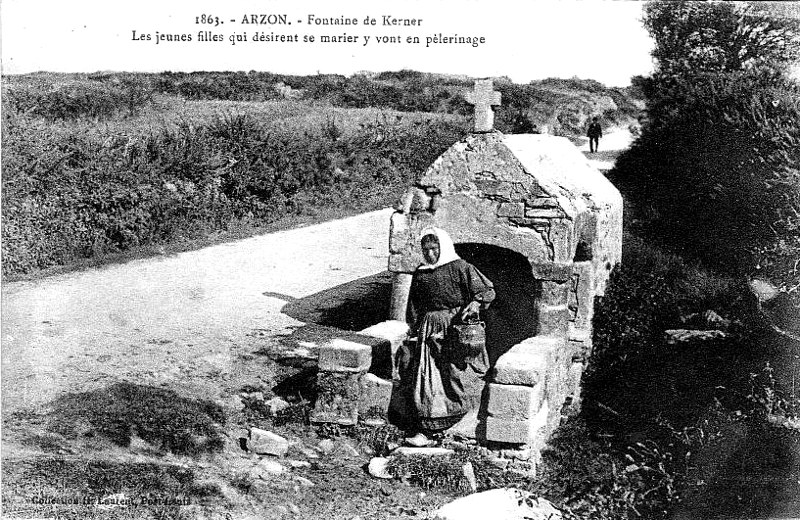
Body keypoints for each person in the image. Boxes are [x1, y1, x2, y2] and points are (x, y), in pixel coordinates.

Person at [402, 227, 496, 446]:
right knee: (429, 376)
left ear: (442, 247)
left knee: (455, 372)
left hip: (456, 326)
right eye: (425, 250)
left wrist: (475, 302)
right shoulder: (422, 273)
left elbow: (487, 290)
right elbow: (414, 304)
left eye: (434, 249)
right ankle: (430, 427)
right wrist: (414, 328)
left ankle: (461, 416)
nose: (430, 254)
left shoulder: (461, 267)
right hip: (429, 328)